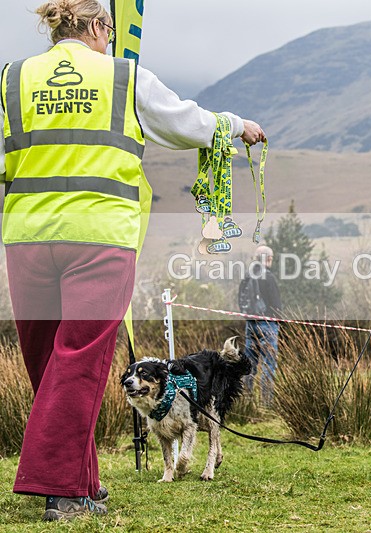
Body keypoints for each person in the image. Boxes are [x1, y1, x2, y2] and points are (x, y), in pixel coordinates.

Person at [0, 0, 266, 521]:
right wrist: (238, 125)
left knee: (48, 363)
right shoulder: (124, 76)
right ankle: (60, 489)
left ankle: (82, 482)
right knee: (80, 362)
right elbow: (186, 123)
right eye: (110, 34)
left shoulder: (13, 78)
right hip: (99, 239)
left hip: (27, 237)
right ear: (100, 27)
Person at [238, 245, 282, 403]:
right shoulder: (268, 277)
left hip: (250, 324)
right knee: (269, 364)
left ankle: (246, 401)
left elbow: (240, 299)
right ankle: (266, 402)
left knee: (249, 364)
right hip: (267, 324)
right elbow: (276, 304)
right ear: (268, 259)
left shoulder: (248, 275)